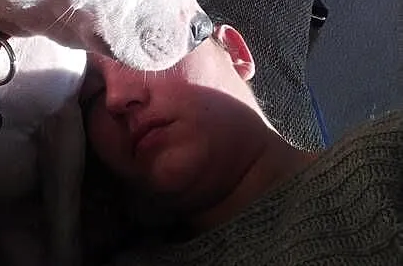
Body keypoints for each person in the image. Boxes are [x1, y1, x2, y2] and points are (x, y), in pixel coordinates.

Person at [80, 25, 403, 265]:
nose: (115, 98)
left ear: (235, 52)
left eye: (150, 43)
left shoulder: (387, 158)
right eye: (89, 96)